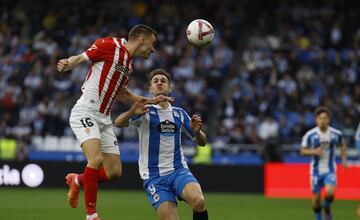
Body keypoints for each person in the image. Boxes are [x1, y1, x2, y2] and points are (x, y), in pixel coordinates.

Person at [57, 24, 173, 220]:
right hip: (86, 110)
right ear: (141, 39)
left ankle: (77, 180)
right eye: (152, 44)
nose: (153, 50)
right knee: (95, 160)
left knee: (114, 172)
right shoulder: (111, 45)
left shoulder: (128, 65)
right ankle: (91, 215)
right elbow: (83, 56)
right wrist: (70, 62)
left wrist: (150, 100)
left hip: (103, 118)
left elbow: (123, 94)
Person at [115, 69, 209, 220]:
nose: (159, 83)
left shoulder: (179, 113)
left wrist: (197, 132)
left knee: (199, 201)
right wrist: (133, 111)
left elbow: (202, 142)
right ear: (150, 88)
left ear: (169, 88)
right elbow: (118, 123)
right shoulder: (144, 110)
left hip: (178, 170)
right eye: (155, 81)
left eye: (163, 81)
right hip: (154, 177)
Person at [300, 106, 347, 220]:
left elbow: (343, 145)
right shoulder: (310, 135)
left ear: (328, 119)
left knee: (330, 192)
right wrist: (313, 151)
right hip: (315, 171)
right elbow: (302, 151)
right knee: (316, 200)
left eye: (325, 118)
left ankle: (326, 206)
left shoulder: (336, 133)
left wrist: (344, 160)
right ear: (316, 120)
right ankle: (319, 217)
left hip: (330, 169)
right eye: (320, 118)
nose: (322, 120)